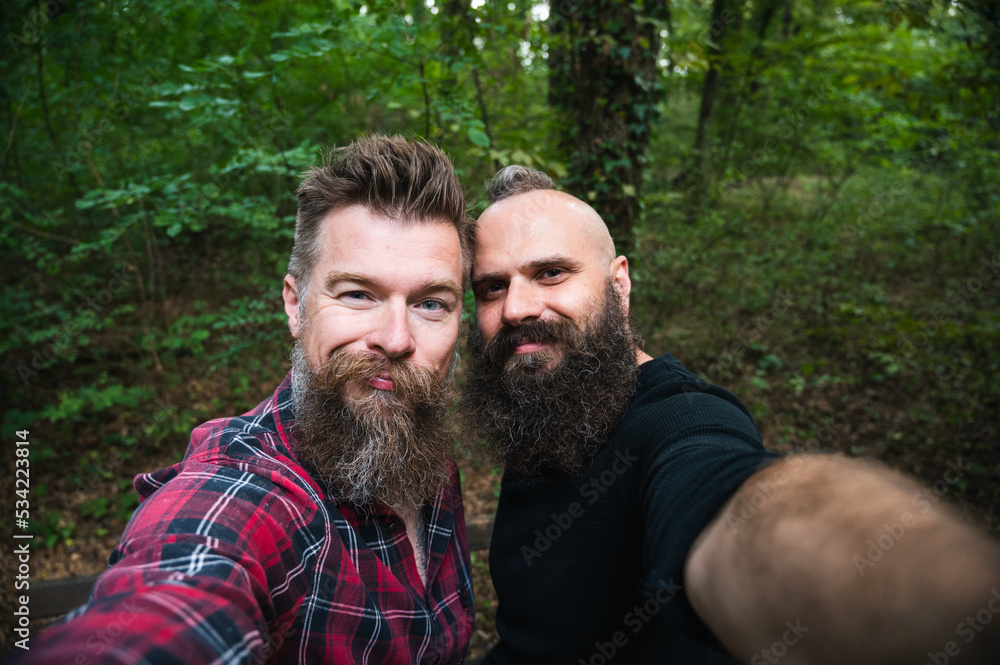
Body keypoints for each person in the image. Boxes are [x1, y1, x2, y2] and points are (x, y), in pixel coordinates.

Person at [462, 165, 1000, 665]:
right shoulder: (551, 400)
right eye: (493, 287)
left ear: (619, 284)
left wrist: (942, 595)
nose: (516, 308)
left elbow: (731, 504)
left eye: (552, 273)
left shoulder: (679, 418)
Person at [9, 135, 476, 664]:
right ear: (296, 305)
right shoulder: (246, 493)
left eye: (431, 304)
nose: (395, 338)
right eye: (357, 294)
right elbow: (179, 593)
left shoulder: (424, 449)